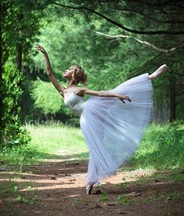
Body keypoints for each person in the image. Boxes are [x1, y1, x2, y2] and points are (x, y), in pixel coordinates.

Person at [35, 44, 168, 194]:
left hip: (91, 113)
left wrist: (118, 96)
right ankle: (92, 181)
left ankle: (149, 77)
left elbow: (100, 93)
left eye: (69, 69)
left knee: (115, 93)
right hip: (85, 119)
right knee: (94, 147)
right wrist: (45, 55)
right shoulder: (63, 91)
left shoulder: (79, 90)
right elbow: (49, 74)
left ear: (73, 75)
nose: (65, 70)